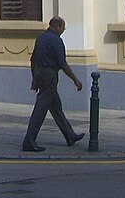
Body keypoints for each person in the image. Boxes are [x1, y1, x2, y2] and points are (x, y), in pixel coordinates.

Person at [22, 16, 85, 152]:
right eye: (63, 28)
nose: (63, 31)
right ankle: (29, 141)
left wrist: (34, 78)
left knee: (56, 107)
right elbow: (63, 64)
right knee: (40, 109)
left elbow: (33, 59)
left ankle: (70, 135)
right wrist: (75, 80)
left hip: (39, 73)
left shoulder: (41, 38)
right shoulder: (56, 41)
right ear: (58, 27)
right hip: (49, 75)